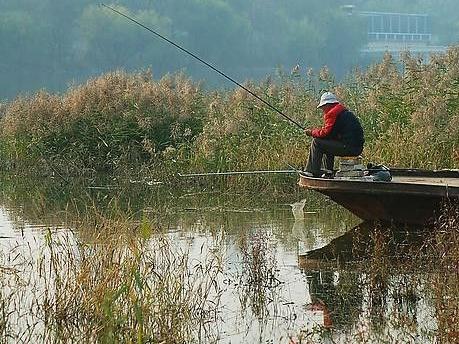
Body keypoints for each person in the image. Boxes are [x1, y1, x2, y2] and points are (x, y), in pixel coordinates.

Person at [303, 92, 364, 177]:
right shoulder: (342, 112)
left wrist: (311, 132)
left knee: (316, 142)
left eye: (323, 107)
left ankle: (311, 171)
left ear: (328, 104)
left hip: (349, 147)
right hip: (356, 147)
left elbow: (325, 133)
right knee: (327, 142)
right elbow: (329, 135)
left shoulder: (333, 113)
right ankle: (328, 171)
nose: (323, 110)